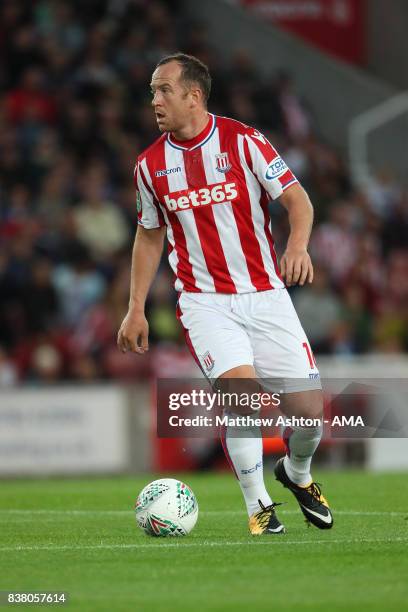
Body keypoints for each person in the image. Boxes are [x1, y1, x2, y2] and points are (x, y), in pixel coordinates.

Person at [117, 53, 333, 535]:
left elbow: (297, 199)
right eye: (153, 91)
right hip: (205, 302)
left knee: (310, 414)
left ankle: (296, 474)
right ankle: (258, 506)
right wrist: (135, 308)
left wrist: (297, 244)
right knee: (244, 396)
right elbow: (149, 235)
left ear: (193, 95)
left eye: (163, 90)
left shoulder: (244, 141)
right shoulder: (150, 165)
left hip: (265, 294)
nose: (155, 100)